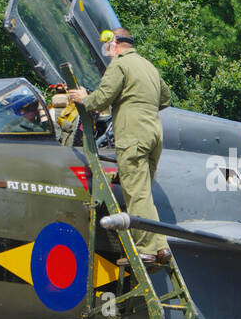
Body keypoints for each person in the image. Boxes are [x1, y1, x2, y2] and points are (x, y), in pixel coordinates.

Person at [67, 29, 173, 263]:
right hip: (154, 135)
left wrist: (83, 98)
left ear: (115, 44)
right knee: (143, 192)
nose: (106, 50)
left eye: (107, 43)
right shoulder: (148, 66)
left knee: (135, 194)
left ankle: (145, 250)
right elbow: (166, 99)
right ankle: (160, 248)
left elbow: (102, 98)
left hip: (133, 135)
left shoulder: (119, 64)